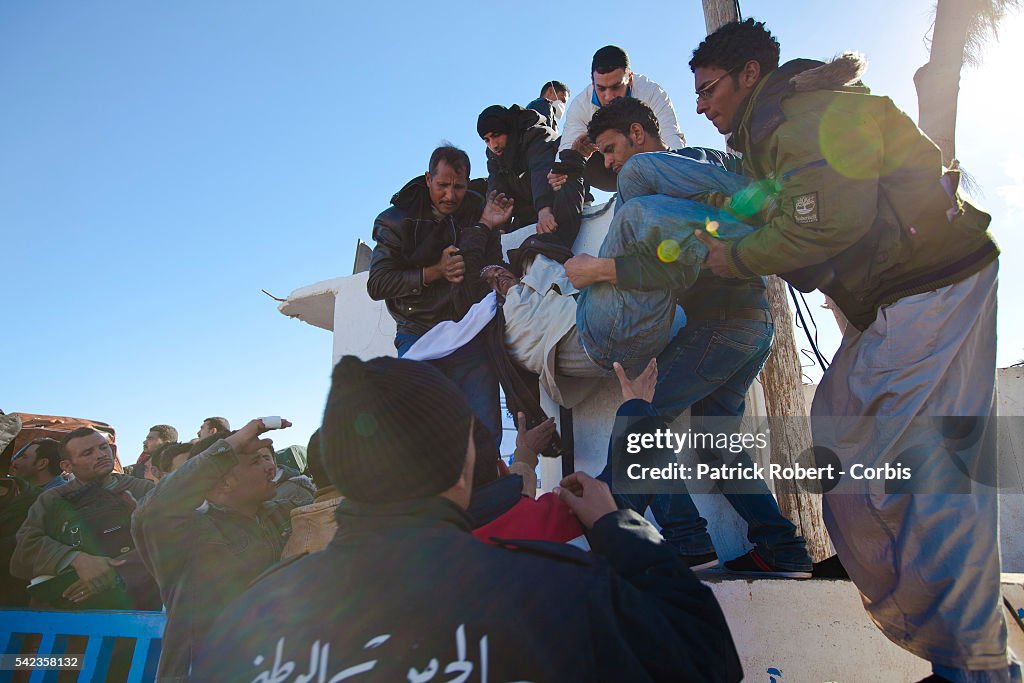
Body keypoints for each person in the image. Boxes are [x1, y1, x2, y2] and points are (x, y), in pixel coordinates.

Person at [688, 19, 1010, 682]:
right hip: (926, 283)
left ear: (749, 75)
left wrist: (737, 255)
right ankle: (972, 663)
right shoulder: (780, 126)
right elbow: (793, 203)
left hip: (929, 284)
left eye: (709, 87)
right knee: (851, 431)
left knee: (914, 467)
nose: (700, 104)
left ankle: (974, 667)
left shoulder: (793, 117)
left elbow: (827, 218)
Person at [193, 356, 742, 683]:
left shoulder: (244, 625)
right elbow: (705, 660)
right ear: (465, 459)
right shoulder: (555, 591)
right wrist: (620, 528)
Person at [557, 96, 811, 576]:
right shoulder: (691, 174)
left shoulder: (669, 170)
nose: (609, 164)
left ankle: (687, 543)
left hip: (722, 324)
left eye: (611, 149)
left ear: (638, 133)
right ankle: (784, 549)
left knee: (643, 419)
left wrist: (602, 271)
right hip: (751, 325)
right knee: (717, 446)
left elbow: (675, 265)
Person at [366, 145, 513, 447]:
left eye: (458, 186)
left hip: (467, 331)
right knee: (417, 432)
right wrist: (435, 271)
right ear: (427, 179)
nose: (450, 195)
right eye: (443, 185)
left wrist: (493, 274)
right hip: (417, 332)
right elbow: (378, 283)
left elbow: (490, 258)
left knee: (485, 431)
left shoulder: (478, 210)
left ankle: (488, 488)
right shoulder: (395, 219)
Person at [132, 418, 297, 682]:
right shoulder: (188, 534)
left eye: (267, 458)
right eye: (255, 462)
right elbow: (153, 512)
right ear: (223, 484)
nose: (270, 466)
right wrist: (229, 446)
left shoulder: (280, 515)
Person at [10, 427, 158, 610]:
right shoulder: (52, 499)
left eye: (103, 448)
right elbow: (25, 547)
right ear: (67, 466)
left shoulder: (144, 490)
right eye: (88, 452)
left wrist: (113, 573)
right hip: (70, 611)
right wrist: (76, 559)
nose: (101, 455)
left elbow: (170, 541)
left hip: (139, 608)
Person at [557, 45, 685, 191]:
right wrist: (560, 174)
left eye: (616, 87)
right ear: (592, 83)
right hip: (611, 171)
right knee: (566, 154)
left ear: (630, 79)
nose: (608, 96)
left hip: (651, 161)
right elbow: (565, 154)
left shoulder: (652, 92)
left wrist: (679, 177)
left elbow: (672, 138)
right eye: (601, 89)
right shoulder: (580, 106)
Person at [477, 103, 559, 232]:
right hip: (527, 214)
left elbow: (541, 169)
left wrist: (544, 211)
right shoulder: (494, 156)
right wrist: (497, 228)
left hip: (556, 202)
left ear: (508, 129)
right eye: (487, 140)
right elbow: (497, 188)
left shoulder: (537, 135)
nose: (493, 145)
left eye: (496, 135)